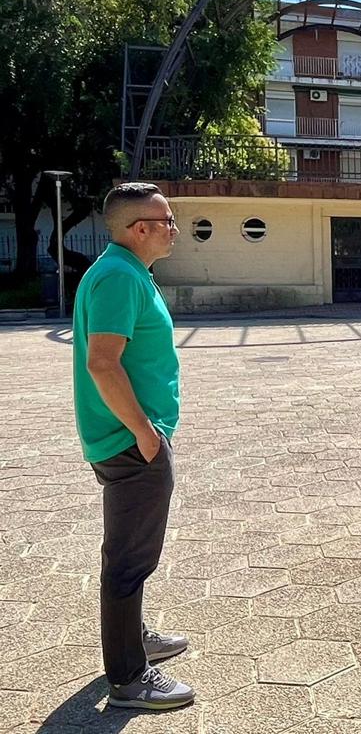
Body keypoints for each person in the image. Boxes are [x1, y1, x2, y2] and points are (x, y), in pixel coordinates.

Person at [72, 183, 195, 710]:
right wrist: (146, 433)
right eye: (167, 221)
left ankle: (133, 635)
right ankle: (128, 677)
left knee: (129, 553)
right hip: (131, 442)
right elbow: (102, 362)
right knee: (128, 560)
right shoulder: (119, 277)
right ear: (138, 228)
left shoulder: (123, 272)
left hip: (128, 438)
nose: (174, 228)